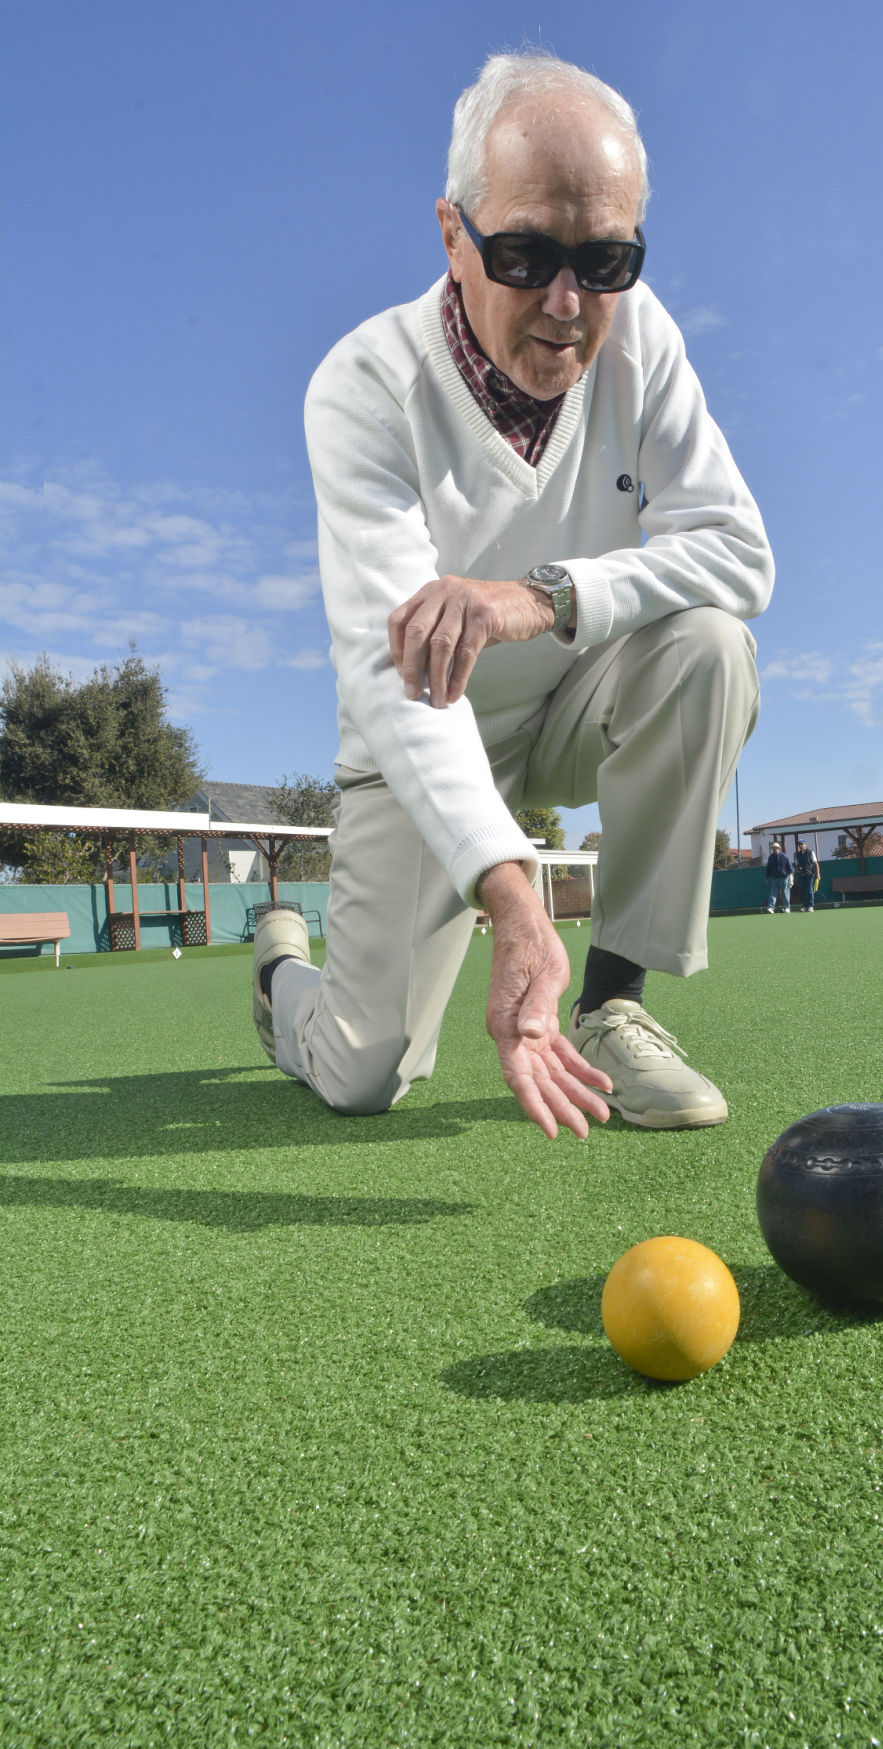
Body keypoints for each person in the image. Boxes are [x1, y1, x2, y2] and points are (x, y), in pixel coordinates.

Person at [251, 51, 773, 1139]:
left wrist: (541, 596)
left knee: (710, 646)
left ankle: (615, 1004)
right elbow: (396, 684)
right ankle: (280, 976)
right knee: (367, 1074)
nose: (569, 304)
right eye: (527, 254)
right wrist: (512, 891)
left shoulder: (642, 338)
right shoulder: (361, 387)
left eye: (608, 259)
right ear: (454, 234)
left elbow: (737, 550)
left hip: (576, 695)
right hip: (426, 739)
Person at [764, 840, 792, 913]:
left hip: (784, 878)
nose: (774, 849)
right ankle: (771, 908)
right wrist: (767, 877)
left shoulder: (785, 856)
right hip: (774, 878)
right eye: (773, 848)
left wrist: (791, 878)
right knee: (773, 893)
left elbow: (790, 868)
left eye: (775, 848)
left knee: (785, 894)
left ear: (779, 848)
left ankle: (787, 907)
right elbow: (768, 868)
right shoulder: (771, 857)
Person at [792, 839, 820, 911]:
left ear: (805, 844)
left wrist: (818, 874)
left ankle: (810, 906)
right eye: (799, 844)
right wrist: (797, 870)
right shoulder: (797, 854)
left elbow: (816, 864)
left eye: (802, 844)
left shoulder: (810, 852)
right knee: (802, 890)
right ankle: (804, 906)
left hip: (809, 874)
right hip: (801, 875)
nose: (800, 846)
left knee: (809, 890)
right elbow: (796, 865)